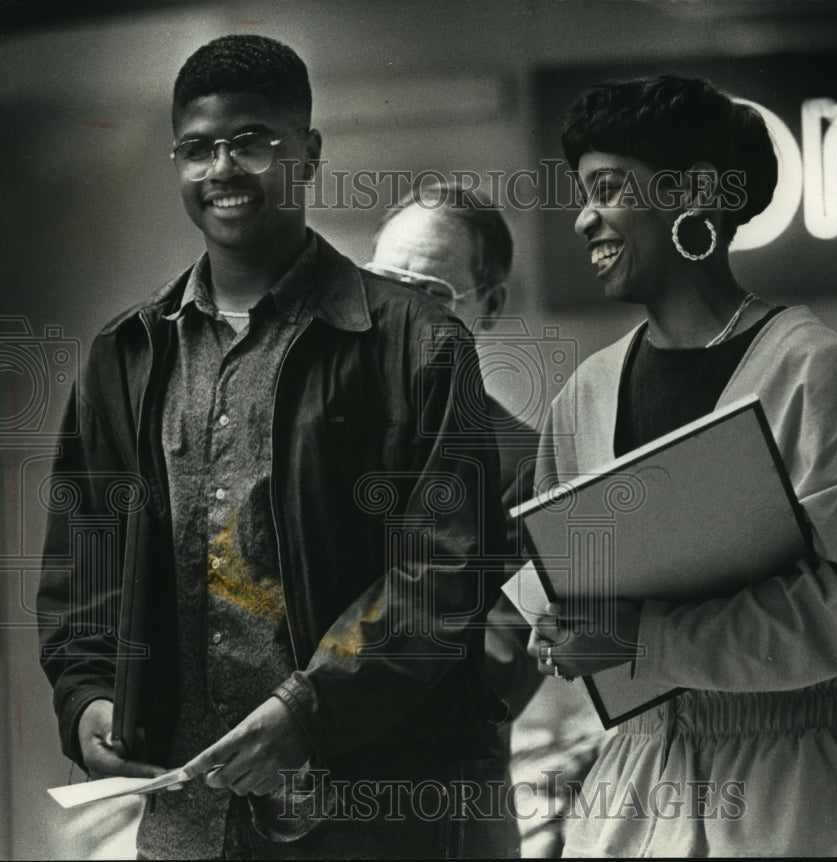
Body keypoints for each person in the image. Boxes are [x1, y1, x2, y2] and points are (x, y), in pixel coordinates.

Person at [37, 35, 509, 860]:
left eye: (252, 141)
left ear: (308, 153)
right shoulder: (126, 355)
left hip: (372, 821)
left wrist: (305, 712)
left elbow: (443, 574)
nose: (223, 167)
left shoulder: (420, 345)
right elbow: (84, 561)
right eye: (197, 148)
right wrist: (85, 698)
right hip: (189, 827)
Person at [526, 73, 837, 856]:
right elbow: (566, 586)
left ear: (693, 193)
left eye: (609, 189)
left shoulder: (811, 371)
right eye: (582, 194)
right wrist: (561, 631)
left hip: (796, 786)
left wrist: (647, 639)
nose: (584, 217)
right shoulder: (581, 399)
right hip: (635, 789)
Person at [368, 186, 543, 855]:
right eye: (382, 283)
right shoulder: (312, 434)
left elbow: (494, 677)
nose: (399, 313)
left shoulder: (531, 466)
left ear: (489, 306)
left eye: (432, 292)